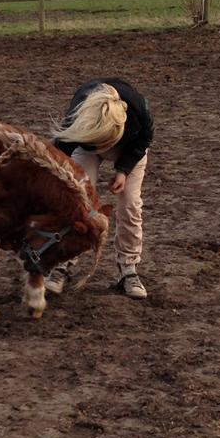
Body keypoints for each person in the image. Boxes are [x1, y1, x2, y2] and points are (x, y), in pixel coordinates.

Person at [49, 78, 154, 299]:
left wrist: (124, 170)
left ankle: (129, 269)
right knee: (75, 198)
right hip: (86, 141)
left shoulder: (139, 111)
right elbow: (57, 153)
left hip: (129, 148)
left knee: (130, 204)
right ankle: (62, 264)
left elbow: (144, 139)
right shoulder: (77, 117)